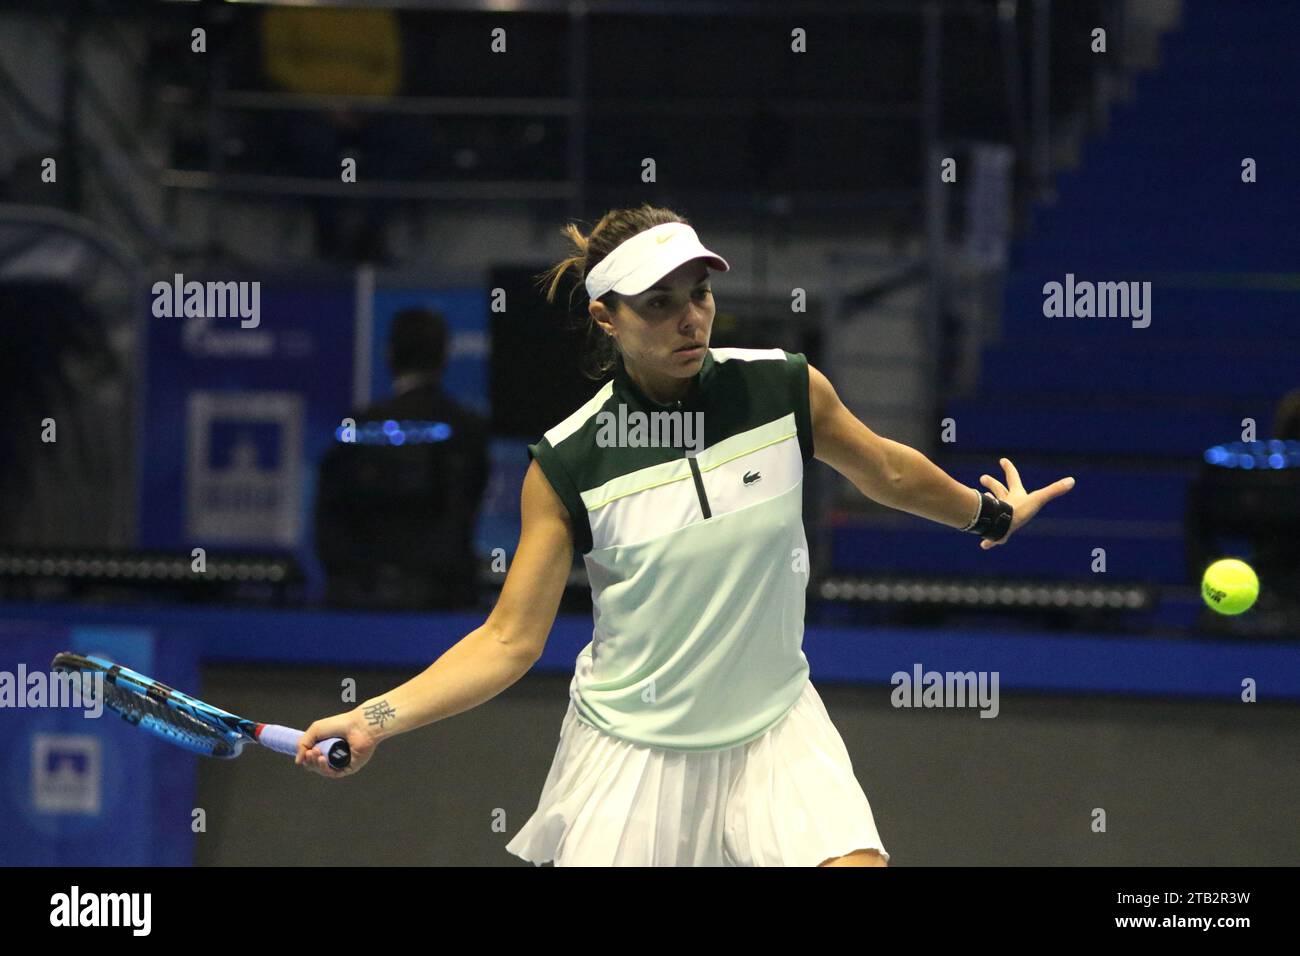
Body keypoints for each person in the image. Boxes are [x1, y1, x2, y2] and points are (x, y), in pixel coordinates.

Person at [295, 204, 1076, 866]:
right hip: (635, 750)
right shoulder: (570, 461)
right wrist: (372, 718)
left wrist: (992, 515)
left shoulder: (781, 388)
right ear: (606, 316)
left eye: (697, 294)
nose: (689, 317)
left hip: (774, 724)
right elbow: (508, 641)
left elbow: (888, 473)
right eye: (659, 303)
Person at [314, 307, 488, 609]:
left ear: (389, 355)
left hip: (357, 604)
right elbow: (468, 506)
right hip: (444, 605)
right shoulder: (467, 428)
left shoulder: (356, 426)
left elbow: (328, 512)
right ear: (444, 357)